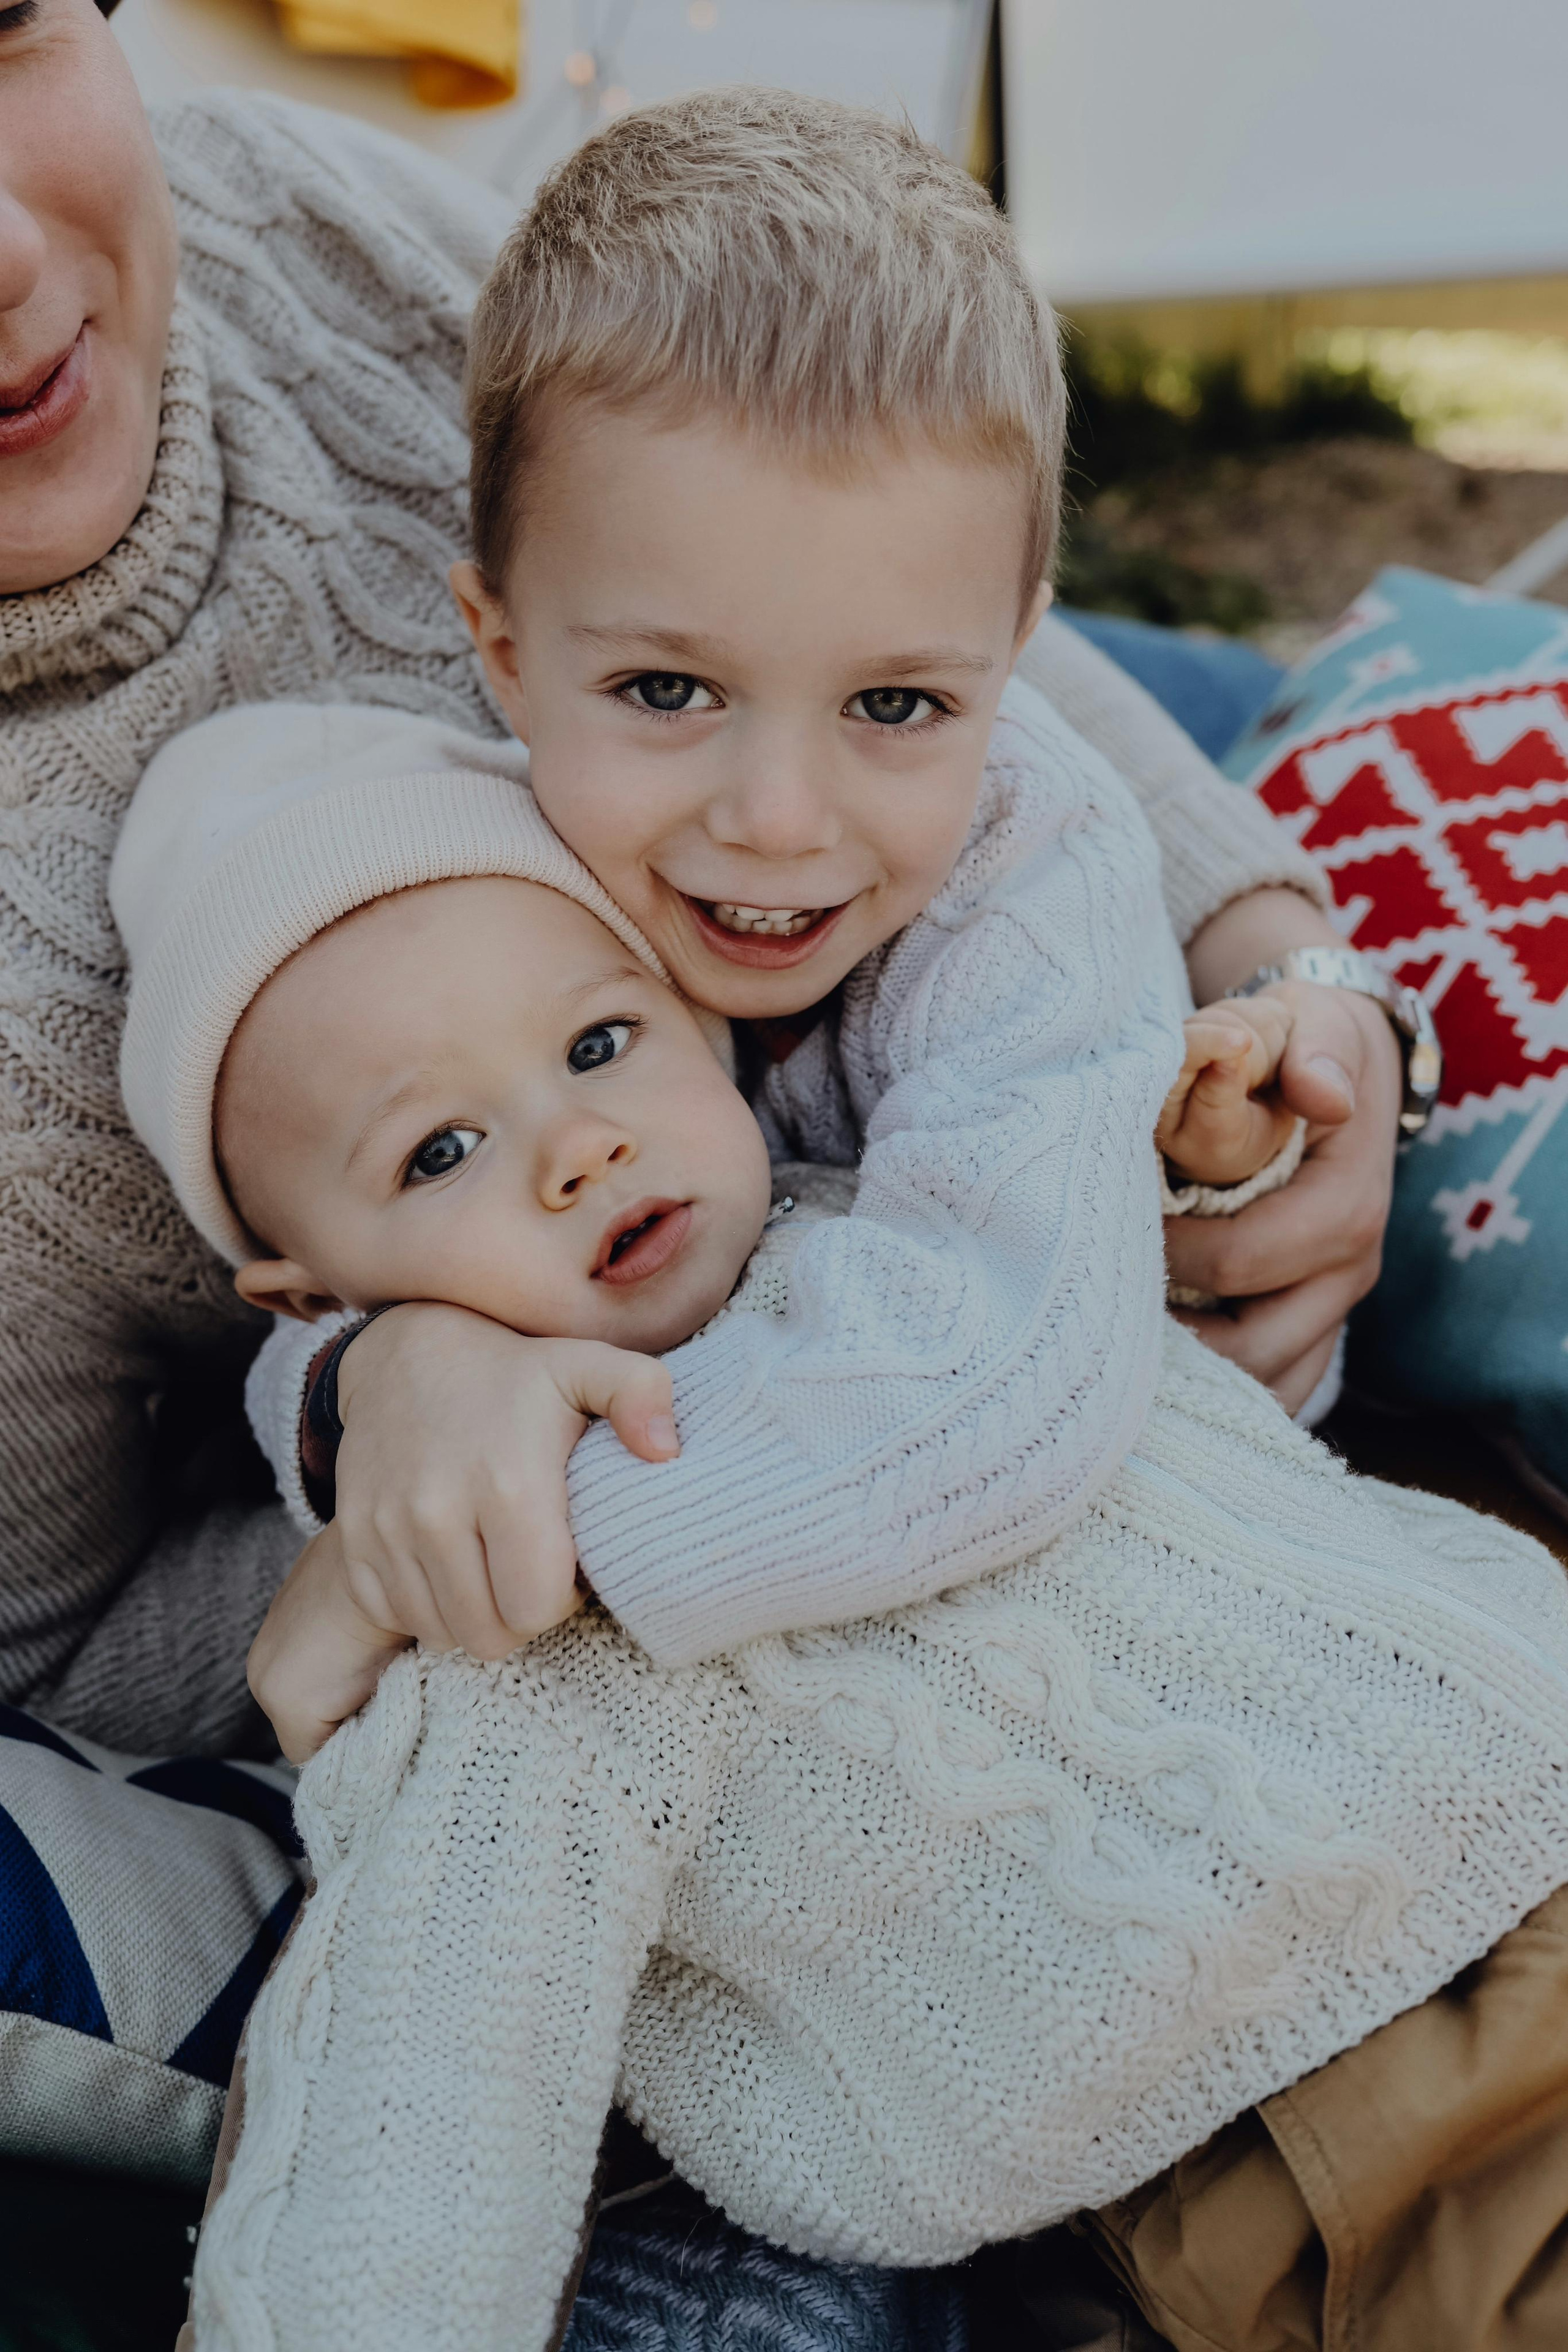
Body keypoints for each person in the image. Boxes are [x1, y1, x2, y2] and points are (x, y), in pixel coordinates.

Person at [0, 0, 1390, 2212]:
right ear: (494, 644)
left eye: (5, 28)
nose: (2, 241)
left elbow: (893, 552)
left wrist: (1286, 956)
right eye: (648, 689)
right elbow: (75, 1649)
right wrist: (388, 1409)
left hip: (1041, 1301)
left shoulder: (296, 208)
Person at [110, 698, 1568, 2352]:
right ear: (319, 1303)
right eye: (442, 1150)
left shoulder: (914, 1222)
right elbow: (428, 2085)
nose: (578, 1145)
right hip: (1311, 2110)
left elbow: (1227, 1426)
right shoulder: (524, 1618)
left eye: (599, 1047)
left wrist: (1206, 1168)